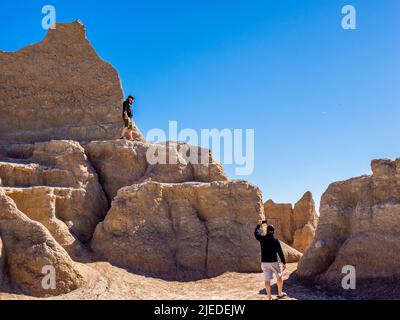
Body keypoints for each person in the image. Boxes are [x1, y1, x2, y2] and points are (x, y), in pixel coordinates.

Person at [255, 220, 287, 300]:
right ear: (273, 232)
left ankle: (269, 297)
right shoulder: (276, 241)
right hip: (274, 262)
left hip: (264, 262)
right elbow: (280, 252)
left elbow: (256, 233)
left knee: (267, 280)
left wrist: (258, 225)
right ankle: (280, 294)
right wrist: (284, 262)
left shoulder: (262, 239)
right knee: (279, 277)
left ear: (267, 231)